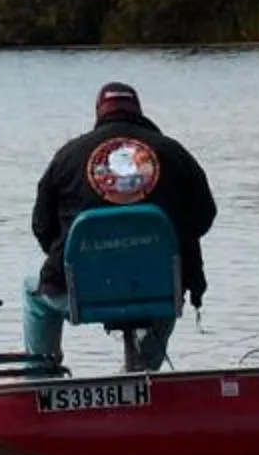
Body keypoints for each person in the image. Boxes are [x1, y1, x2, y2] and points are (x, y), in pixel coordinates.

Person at [25, 82, 217, 371]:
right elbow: (203, 216)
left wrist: (75, 260)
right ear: (138, 111)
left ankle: (41, 379)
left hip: (84, 291)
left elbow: (42, 226)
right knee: (170, 281)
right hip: (158, 290)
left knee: (33, 292)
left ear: (99, 113)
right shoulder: (173, 153)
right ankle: (143, 372)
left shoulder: (68, 156)